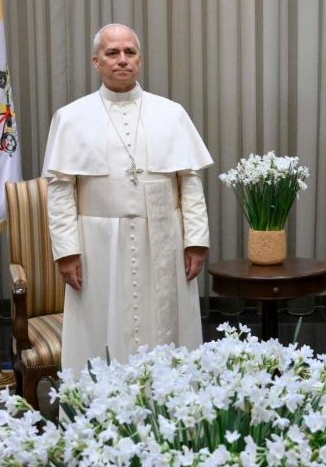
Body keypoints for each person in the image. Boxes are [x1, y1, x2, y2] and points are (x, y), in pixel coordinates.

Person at [41, 23, 213, 375]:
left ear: (140, 59)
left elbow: (190, 183)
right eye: (112, 53)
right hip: (98, 246)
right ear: (96, 61)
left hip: (164, 238)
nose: (122, 60)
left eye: (129, 52)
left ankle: (170, 410)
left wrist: (196, 241)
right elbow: (60, 191)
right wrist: (66, 252)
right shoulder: (71, 117)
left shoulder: (172, 113)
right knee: (102, 327)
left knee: (166, 329)